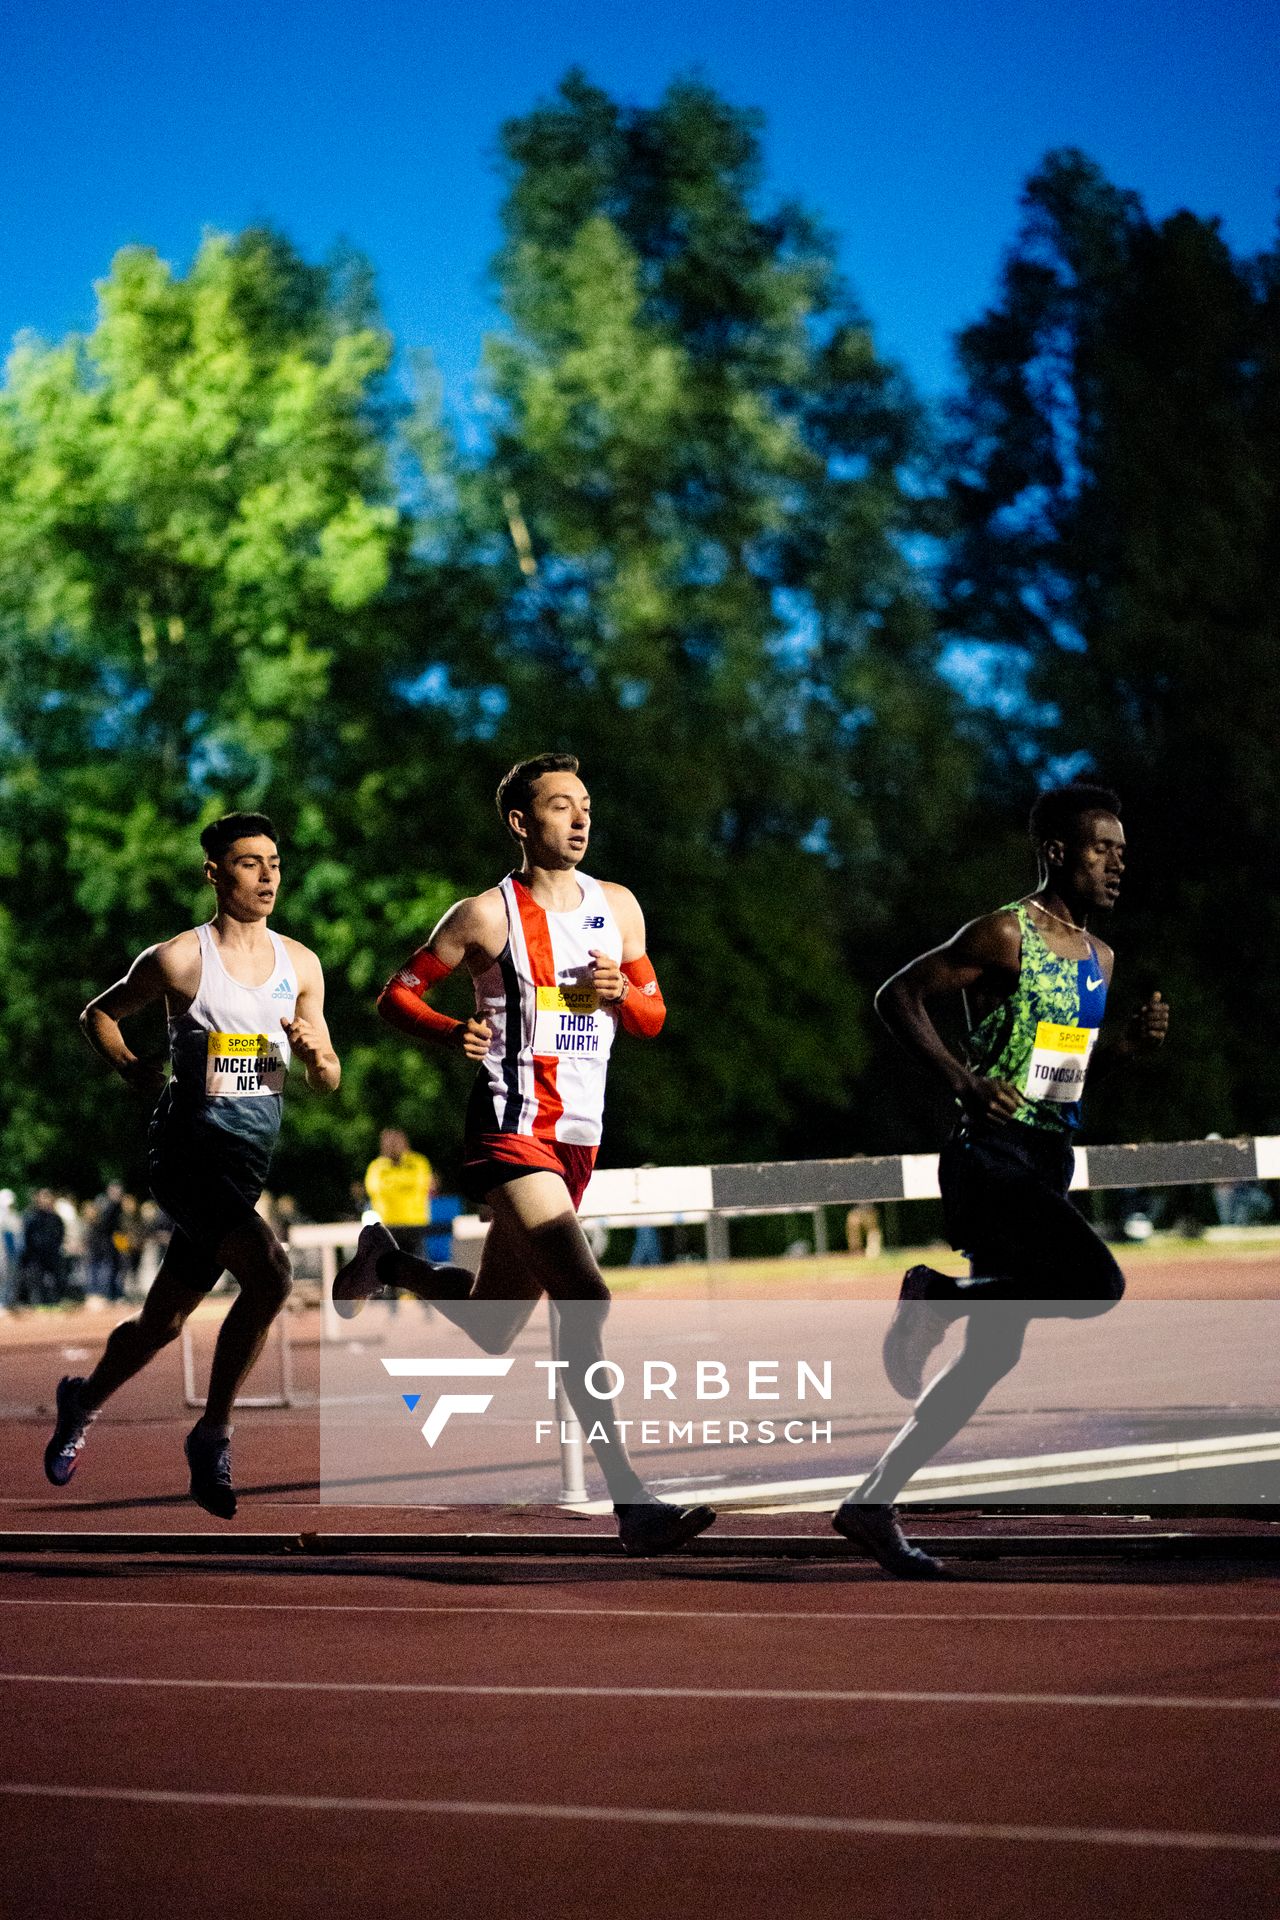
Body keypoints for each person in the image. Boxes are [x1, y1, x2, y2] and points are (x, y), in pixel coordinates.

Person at [332, 751, 715, 1556]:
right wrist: (450, 1030)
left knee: (494, 1327)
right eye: (560, 806)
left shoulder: (619, 908)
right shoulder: (484, 916)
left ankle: (390, 1262)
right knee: (588, 1295)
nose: (580, 819)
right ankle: (632, 1500)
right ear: (520, 822)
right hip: (510, 1128)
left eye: (586, 805)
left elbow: (654, 1018)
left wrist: (626, 996)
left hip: (578, 1134)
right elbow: (396, 993)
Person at [835, 782, 1170, 1577]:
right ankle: (935, 1297)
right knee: (1097, 1284)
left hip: (1046, 1160)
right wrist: (960, 1077)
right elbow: (898, 995)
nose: (1118, 863)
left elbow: (1060, 1073)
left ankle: (870, 1505)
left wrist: (1120, 1050)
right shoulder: (1005, 933)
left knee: (990, 1360)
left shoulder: (1101, 957)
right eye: (1102, 848)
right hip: (989, 1157)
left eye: (1124, 851)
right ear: (1058, 851)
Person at [44, 811, 341, 1517]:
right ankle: (212, 1433)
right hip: (185, 1154)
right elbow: (99, 1014)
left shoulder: (300, 964)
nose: (268, 874)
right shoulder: (179, 958)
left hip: (243, 1166)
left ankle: (81, 1400)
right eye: (249, 862)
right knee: (270, 1272)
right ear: (215, 872)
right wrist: (132, 1070)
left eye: (274, 861)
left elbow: (327, 1077)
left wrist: (315, 1054)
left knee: (164, 1321)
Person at [364, 1127, 434, 1260]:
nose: (393, 1146)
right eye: (389, 1143)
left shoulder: (419, 1162)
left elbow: (421, 1185)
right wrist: (405, 1184)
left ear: (405, 1143)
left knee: (419, 1267)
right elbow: (376, 1190)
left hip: (415, 1224)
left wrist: (392, 1183)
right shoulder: (376, 1167)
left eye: (396, 1142)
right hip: (388, 1226)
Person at [19, 1190, 65, 1305]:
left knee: (55, 1279)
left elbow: (60, 1234)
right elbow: (26, 1235)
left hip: (52, 1254)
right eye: (44, 1197)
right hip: (35, 1256)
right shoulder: (31, 1216)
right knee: (35, 1281)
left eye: (48, 1197)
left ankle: (54, 1302)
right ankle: (37, 1304)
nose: (46, 1200)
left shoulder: (55, 1218)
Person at [86, 1180, 127, 1302]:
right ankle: (97, 1294)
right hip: (100, 1242)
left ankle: (112, 1293)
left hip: (112, 1241)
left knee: (115, 1267)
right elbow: (99, 1225)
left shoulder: (116, 1206)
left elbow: (118, 1228)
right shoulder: (105, 1204)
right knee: (100, 1268)